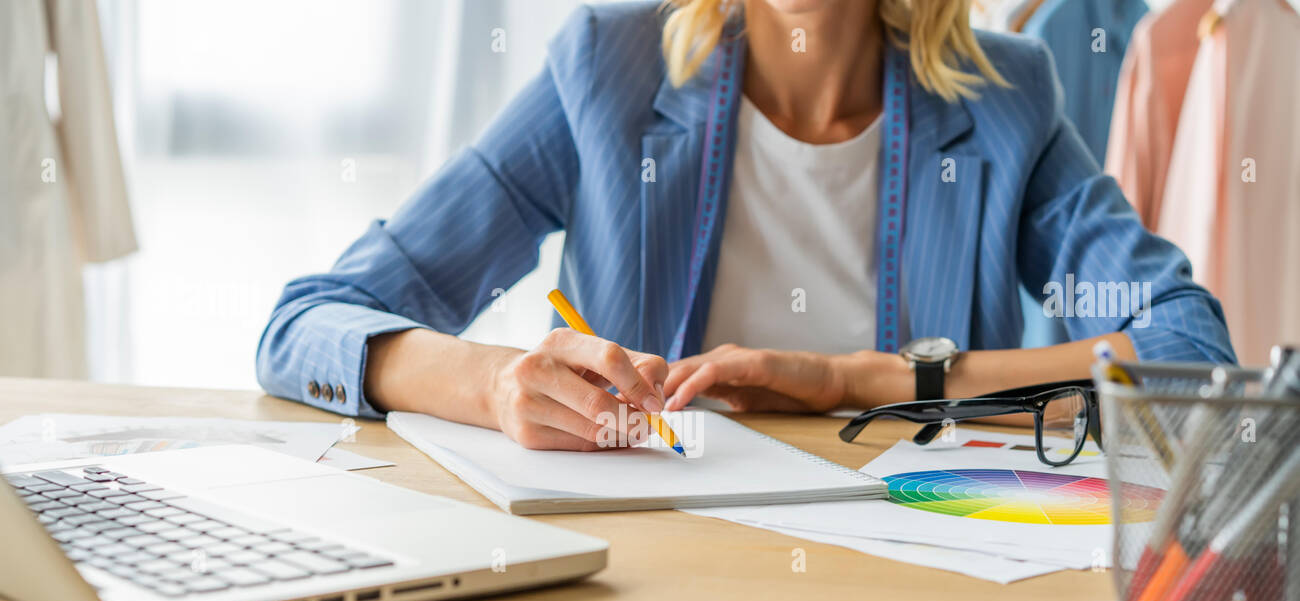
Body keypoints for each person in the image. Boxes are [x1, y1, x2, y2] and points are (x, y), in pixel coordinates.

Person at [256, 0, 1235, 451]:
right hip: (657, 587)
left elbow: (1193, 358)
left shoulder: (1004, 96)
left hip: (920, 589)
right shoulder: (607, 71)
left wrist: (863, 382)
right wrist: (492, 380)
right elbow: (309, 324)